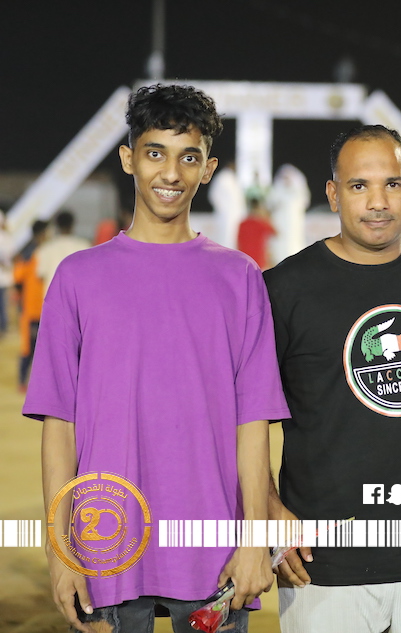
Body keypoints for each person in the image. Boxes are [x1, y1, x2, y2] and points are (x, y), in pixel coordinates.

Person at [23, 83, 289, 633]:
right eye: (155, 153)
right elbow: (59, 427)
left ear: (208, 169)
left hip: (216, 553)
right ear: (129, 159)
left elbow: (253, 422)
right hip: (104, 550)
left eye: (188, 157)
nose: (171, 173)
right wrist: (59, 551)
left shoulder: (239, 278)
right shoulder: (77, 278)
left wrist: (254, 541)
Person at [264, 125, 401, 633]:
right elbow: (238, 411)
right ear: (333, 193)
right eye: (359, 185)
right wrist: (267, 508)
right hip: (323, 561)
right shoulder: (284, 288)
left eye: (392, 184)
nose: (378, 202)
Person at [13, 219, 47, 390]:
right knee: (28, 347)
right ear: (41, 233)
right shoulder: (30, 254)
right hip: (32, 309)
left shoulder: (40, 251)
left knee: (39, 348)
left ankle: (33, 383)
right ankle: (22, 381)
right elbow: (18, 278)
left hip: (41, 307)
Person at [35, 210, 90, 296]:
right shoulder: (84, 246)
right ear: (72, 225)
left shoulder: (45, 249)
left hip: (54, 298)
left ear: (57, 226)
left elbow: (41, 276)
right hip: (77, 297)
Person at [237, 196, 277, 270]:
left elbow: (238, 242)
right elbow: (276, 233)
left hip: (245, 260)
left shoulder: (242, 223)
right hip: (259, 261)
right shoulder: (261, 223)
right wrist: (265, 217)